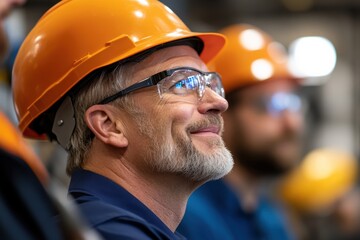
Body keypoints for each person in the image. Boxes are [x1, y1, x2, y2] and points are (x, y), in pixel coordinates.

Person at [12, 0, 234, 239]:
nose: (219, 103)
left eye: (209, 82)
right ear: (108, 125)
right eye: (183, 83)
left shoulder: (134, 228)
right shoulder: (107, 233)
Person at [178, 24, 304, 240]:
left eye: (291, 103)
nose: (291, 123)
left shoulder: (270, 217)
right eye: (270, 104)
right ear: (221, 111)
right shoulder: (185, 218)